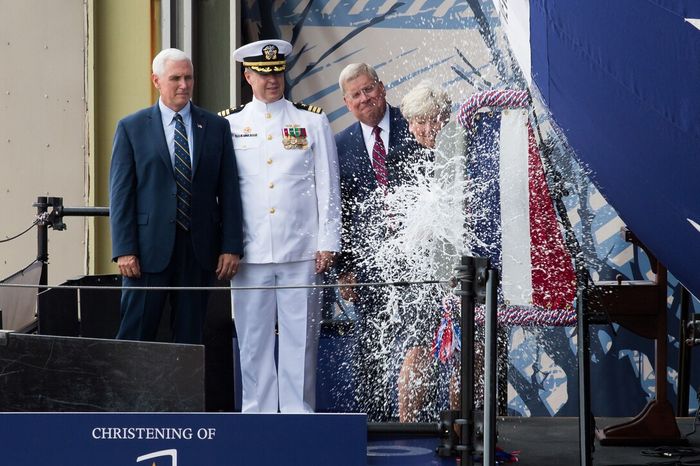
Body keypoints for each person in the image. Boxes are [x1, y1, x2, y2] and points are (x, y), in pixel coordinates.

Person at [220, 39, 341, 413]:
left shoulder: (311, 119)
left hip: (301, 250)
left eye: (277, 72)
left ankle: (298, 416)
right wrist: (227, 245)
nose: (272, 80)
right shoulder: (230, 123)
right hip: (250, 252)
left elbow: (328, 183)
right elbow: (223, 192)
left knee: (300, 340)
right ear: (247, 76)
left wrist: (329, 240)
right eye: (263, 73)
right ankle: (256, 415)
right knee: (252, 341)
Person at [109, 48, 243, 344]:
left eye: (188, 78)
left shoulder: (216, 127)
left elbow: (229, 190)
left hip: (198, 251)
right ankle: (130, 392)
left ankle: (184, 394)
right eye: (176, 78)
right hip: (145, 253)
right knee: (135, 335)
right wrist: (124, 248)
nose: (184, 85)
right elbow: (120, 194)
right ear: (156, 80)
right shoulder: (131, 127)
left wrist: (231, 245)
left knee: (189, 340)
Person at [334, 63, 419, 421]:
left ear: (382, 88)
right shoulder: (340, 145)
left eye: (369, 89)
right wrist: (345, 268)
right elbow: (341, 210)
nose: (365, 98)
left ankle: (419, 424)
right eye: (356, 94)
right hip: (369, 267)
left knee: (419, 346)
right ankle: (371, 424)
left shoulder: (415, 125)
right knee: (370, 345)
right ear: (347, 102)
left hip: (418, 264)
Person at [394, 80, 464, 422]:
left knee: (467, 353)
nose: (426, 128)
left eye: (433, 119)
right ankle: (408, 429)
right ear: (409, 124)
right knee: (418, 350)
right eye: (418, 121)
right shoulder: (402, 160)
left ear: (446, 117)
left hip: (461, 269)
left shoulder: (464, 151)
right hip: (420, 272)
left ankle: (461, 433)